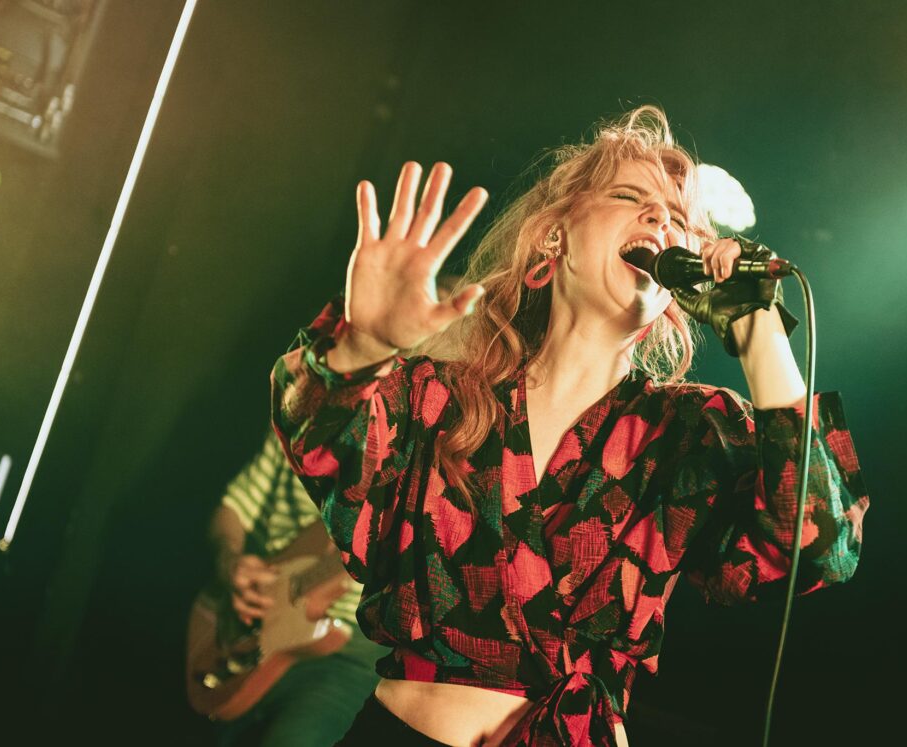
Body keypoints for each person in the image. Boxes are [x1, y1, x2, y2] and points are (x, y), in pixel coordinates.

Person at [270, 106, 869, 746]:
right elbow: (319, 438)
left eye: (678, 217)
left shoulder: (692, 430)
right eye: (630, 196)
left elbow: (820, 547)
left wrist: (759, 333)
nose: (660, 218)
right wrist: (364, 345)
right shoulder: (440, 398)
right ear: (555, 235)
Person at [204, 429, 385, 747]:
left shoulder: (426, 437)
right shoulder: (302, 414)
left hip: (351, 646)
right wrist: (230, 562)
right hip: (257, 618)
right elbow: (234, 507)